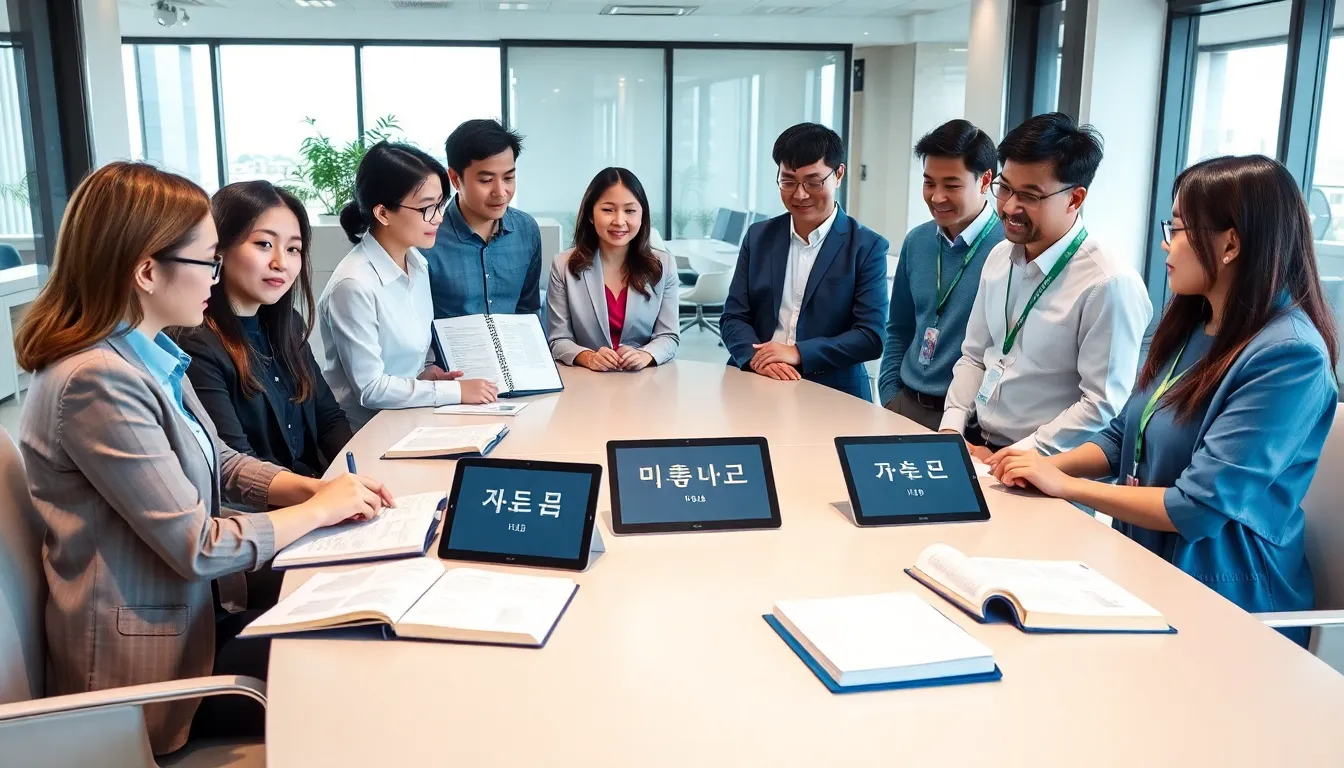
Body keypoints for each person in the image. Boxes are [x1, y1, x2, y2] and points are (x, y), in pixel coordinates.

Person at [14, 162, 394, 756]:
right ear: (147, 271)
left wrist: (312, 491)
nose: (215, 279)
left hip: (194, 621)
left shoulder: (149, 353)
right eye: (209, 261)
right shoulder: (97, 381)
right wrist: (320, 512)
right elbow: (199, 546)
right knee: (359, 659)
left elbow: (219, 461)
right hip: (153, 674)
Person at [992, 155, 1338, 647]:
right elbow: (1121, 440)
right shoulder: (1195, 323)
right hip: (1146, 562)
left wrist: (1064, 485)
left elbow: (1196, 508)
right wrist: (1034, 468)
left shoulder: (1289, 357)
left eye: (1178, 229)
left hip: (1224, 596)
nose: (1165, 244)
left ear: (1231, 242)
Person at [939, 112, 1152, 459]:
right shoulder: (999, 256)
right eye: (1005, 188)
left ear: (1075, 198)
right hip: (978, 448)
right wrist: (951, 428)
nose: (1009, 207)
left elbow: (1101, 403)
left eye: (1030, 196)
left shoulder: (1108, 284)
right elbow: (975, 356)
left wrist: (1020, 456)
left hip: (1048, 466)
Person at [177, 181, 353, 478]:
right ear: (217, 249)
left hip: (318, 490)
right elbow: (235, 465)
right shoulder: (196, 343)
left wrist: (359, 474)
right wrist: (323, 498)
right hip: (267, 510)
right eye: (263, 244)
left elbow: (328, 418)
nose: (281, 263)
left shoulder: (287, 324)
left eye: (293, 248)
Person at [319, 141, 498, 430]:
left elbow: (415, 353)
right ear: (383, 213)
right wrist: (456, 392)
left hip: (412, 417)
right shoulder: (353, 284)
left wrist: (428, 374)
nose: (438, 218)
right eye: (427, 208)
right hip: (365, 432)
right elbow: (371, 389)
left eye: (440, 205)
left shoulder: (417, 262)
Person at [719, 122, 889, 401]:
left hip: (834, 393)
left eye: (813, 181)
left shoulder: (867, 246)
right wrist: (757, 358)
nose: (800, 194)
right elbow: (733, 316)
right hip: (756, 382)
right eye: (788, 181)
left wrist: (798, 352)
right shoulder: (759, 236)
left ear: (839, 174)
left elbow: (870, 337)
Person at [879, 119, 1005, 429]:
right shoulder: (918, 241)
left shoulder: (1008, 248)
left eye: (951, 185)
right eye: (929, 182)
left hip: (970, 422)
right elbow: (900, 327)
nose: (937, 197)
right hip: (904, 404)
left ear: (985, 180)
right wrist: (890, 394)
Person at [547, 167, 680, 371]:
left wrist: (645, 355)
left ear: (642, 215)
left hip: (644, 384)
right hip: (586, 384)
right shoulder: (563, 265)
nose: (619, 221)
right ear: (591, 215)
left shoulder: (664, 266)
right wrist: (588, 357)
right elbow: (558, 339)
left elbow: (668, 336)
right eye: (608, 209)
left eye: (630, 211)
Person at [423, 119, 543, 319]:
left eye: (508, 178)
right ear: (455, 179)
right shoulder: (428, 237)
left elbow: (527, 311)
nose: (500, 192)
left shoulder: (526, 230)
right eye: (486, 180)